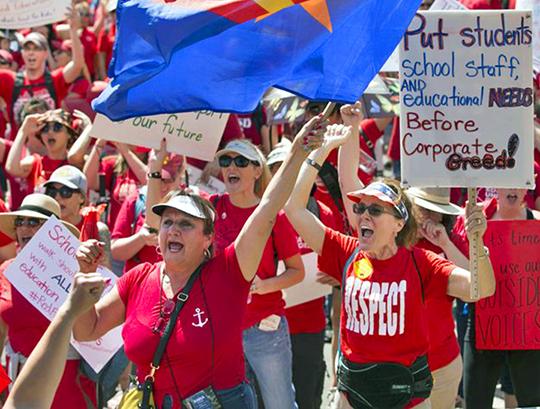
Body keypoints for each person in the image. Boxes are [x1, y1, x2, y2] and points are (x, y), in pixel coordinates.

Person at [72, 116, 332, 409]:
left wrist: (298, 150)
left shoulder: (227, 273)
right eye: (168, 222)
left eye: (185, 224)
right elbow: (86, 331)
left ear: (209, 238)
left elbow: (269, 206)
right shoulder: (139, 278)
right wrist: (84, 279)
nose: (173, 229)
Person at [284, 103, 496, 409]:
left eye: (375, 209)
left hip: (408, 395)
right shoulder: (346, 250)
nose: (363, 215)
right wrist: (322, 151)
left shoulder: (423, 263)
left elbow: (481, 289)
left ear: (399, 223)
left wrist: (477, 243)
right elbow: (294, 208)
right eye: (360, 208)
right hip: (354, 394)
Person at [210, 138, 305, 409]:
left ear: (256, 171)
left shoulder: (274, 214)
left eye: (241, 161)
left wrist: (264, 286)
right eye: (226, 161)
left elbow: (296, 271)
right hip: (220, 329)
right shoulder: (211, 208)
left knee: (280, 404)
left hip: (264, 326)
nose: (231, 167)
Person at [0, 194, 94, 409]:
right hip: (17, 380)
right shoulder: (5, 270)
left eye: (33, 222)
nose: (24, 228)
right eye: (20, 222)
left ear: (54, 233)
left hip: (65, 382)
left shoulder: (76, 273)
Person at [454, 188, 540, 408]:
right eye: (507, 183)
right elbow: (461, 273)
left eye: (519, 183)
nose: (512, 189)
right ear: (495, 187)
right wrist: (448, 240)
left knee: (532, 403)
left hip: (528, 330)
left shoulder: (537, 223)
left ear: (528, 187)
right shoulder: (474, 220)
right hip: (484, 326)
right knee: (476, 403)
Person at [3, 271, 108, 409]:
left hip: (69, 381)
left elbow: (102, 330)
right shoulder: (7, 270)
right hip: (16, 380)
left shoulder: (82, 270)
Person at [406, 187, 467, 409]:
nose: (429, 218)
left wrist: (445, 245)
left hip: (442, 364)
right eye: (423, 209)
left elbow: (474, 285)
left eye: (435, 212)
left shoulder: (449, 242)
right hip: (401, 366)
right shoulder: (393, 239)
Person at [0, 7, 85, 137]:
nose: (31, 52)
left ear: (46, 54)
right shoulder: (8, 79)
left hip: (49, 149)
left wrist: (73, 30)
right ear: (22, 53)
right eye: (27, 48)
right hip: (19, 151)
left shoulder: (55, 79)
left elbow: (77, 65)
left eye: (37, 48)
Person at [5, 109, 88, 201]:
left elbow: (74, 156)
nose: (50, 132)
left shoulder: (77, 162)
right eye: (45, 128)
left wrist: (89, 128)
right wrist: (23, 130)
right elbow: (12, 168)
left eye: (57, 127)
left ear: (69, 134)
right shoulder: (36, 163)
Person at [43, 165, 111, 265]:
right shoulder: (41, 225)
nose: (57, 197)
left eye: (65, 192)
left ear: (82, 198)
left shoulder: (97, 230)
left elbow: (106, 272)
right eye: (52, 192)